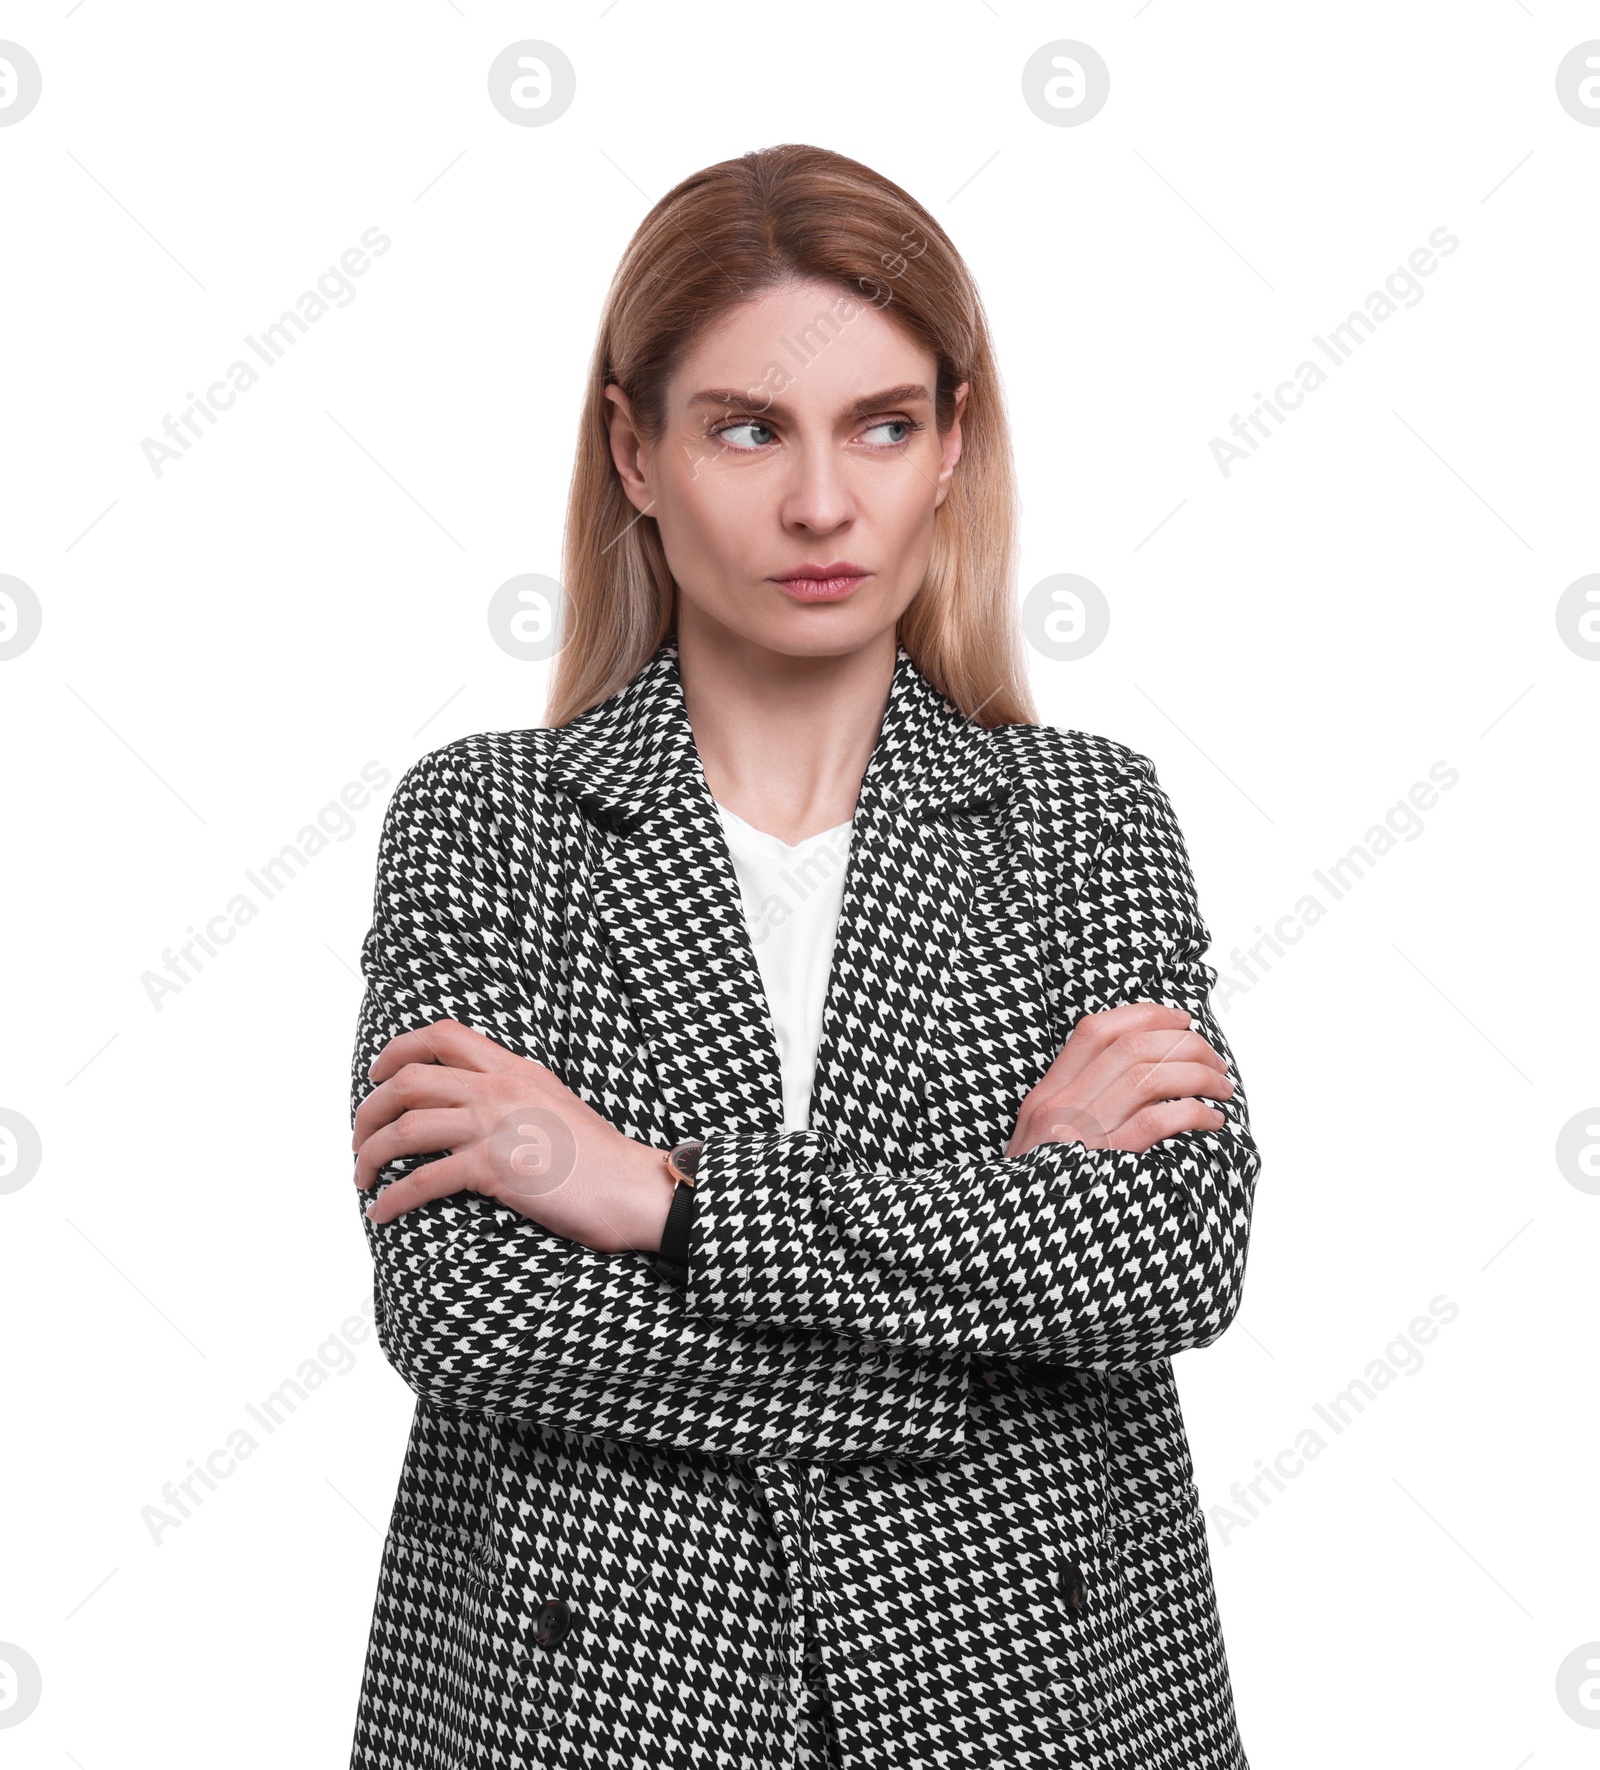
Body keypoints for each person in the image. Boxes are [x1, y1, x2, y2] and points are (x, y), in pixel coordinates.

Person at [346, 142, 1261, 1770]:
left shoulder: (1083, 817)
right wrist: (987, 1308)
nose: (822, 502)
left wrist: (665, 1201)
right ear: (634, 450)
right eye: (748, 427)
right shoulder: (487, 822)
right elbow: (471, 1304)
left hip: (1021, 1708)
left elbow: (1173, 1252)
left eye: (882, 426)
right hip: (600, 1709)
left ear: (952, 445)